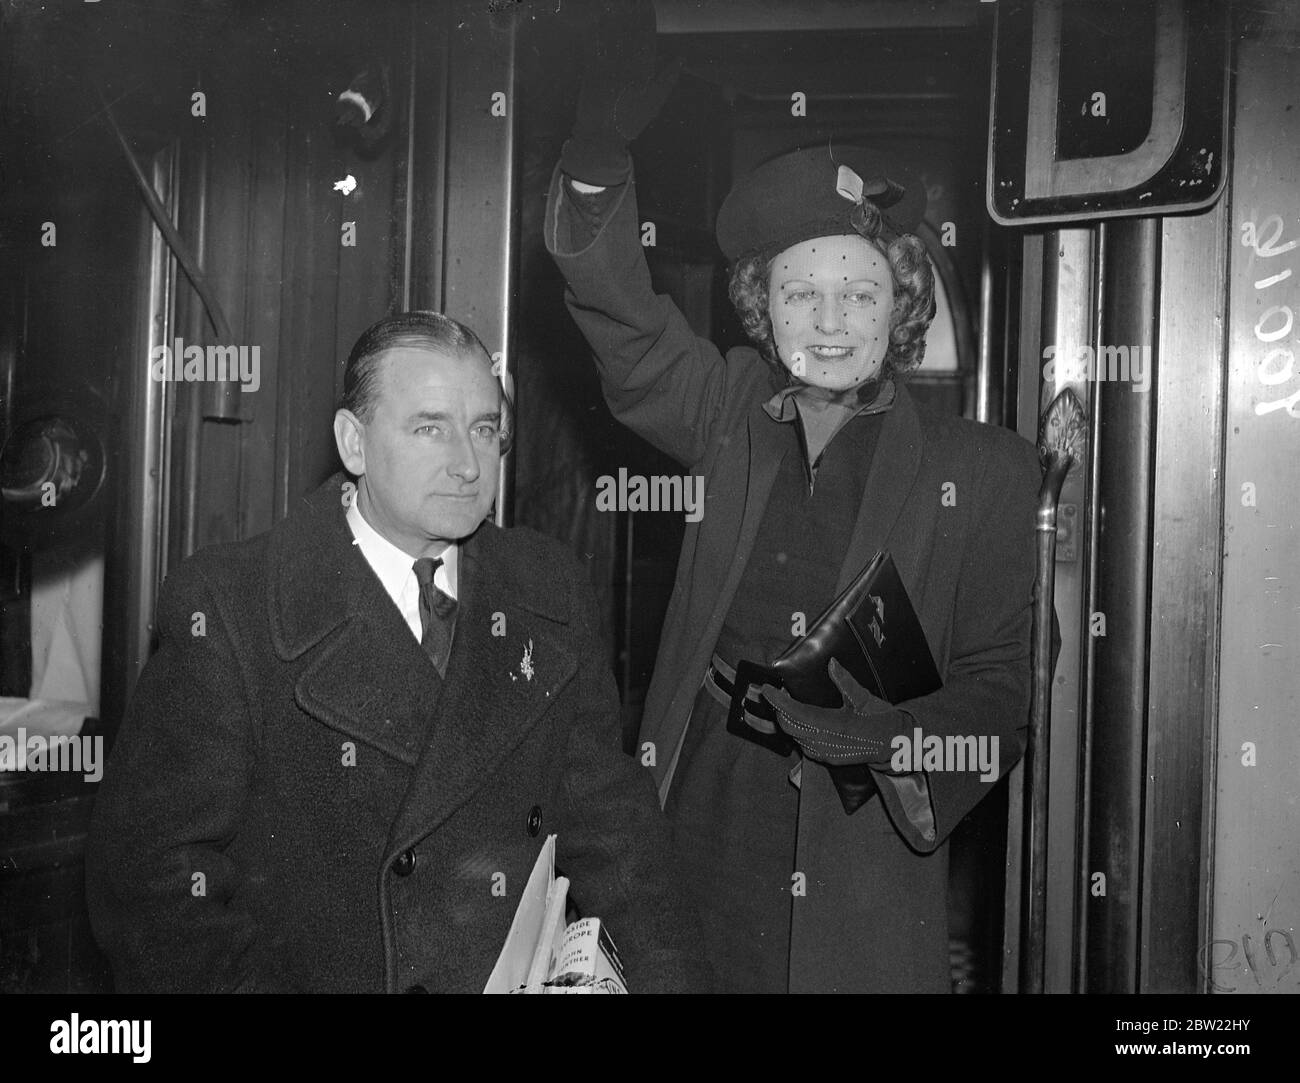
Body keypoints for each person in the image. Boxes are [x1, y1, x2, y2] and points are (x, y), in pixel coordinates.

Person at [545, 2, 1041, 993]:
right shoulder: (725, 407)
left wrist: (873, 736)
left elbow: (1008, 690)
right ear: (758, 310)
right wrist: (596, 158)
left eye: (858, 294)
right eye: (797, 293)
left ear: (898, 304)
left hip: (862, 831)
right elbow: (625, 325)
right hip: (698, 801)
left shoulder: (985, 470)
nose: (828, 322)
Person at [85, 311, 708, 993]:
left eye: (484, 428)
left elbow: (614, 832)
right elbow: (152, 882)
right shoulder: (233, 604)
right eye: (429, 427)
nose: (468, 464)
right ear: (354, 442)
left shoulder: (547, 585)